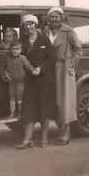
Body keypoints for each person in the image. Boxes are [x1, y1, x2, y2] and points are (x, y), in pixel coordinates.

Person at [15, 14, 57, 149]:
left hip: (44, 80)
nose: (29, 27)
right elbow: (17, 57)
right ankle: (27, 139)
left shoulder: (44, 40)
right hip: (29, 81)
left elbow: (51, 58)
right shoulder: (22, 41)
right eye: (26, 25)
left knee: (44, 109)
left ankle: (44, 138)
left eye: (31, 24)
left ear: (35, 25)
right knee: (29, 109)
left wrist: (41, 68)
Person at [45, 7, 83, 145]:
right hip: (50, 68)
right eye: (52, 16)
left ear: (61, 18)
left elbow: (78, 49)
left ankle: (66, 134)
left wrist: (71, 63)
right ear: (48, 18)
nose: (54, 19)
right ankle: (59, 132)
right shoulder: (45, 32)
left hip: (64, 68)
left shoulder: (68, 31)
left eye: (57, 16)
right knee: (55, 102)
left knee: (65, 101)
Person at [1, 41, 36, 118]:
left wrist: (33, 71)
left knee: (19, 98)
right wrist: (5, 73)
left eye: (17, 49)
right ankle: (12, 114)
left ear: (20, 50)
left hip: (20, 82)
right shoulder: (8, 58)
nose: (15, 51)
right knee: (12, 97)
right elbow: (3, 68)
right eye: (13, 49)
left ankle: (20, 113)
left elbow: (28, 66)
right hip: (11, 82)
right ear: (10, 50)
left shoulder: (22, 58)